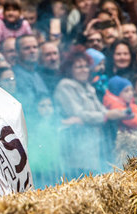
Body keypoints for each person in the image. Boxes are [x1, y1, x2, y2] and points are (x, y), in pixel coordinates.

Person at [53, 47, 126, 177]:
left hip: (93, 146)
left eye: (86, 66)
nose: (84, 70)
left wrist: (119, 112)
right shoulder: (65, 85)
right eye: (79, 67)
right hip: (76, 146)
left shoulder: (87, 87)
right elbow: (79, 113)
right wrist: (107, 115)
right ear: (69, 69)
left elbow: (101, 110)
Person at [12, 35, 49, 119]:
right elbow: (28, 107)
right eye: (27, 48)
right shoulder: (14, 76)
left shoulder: (37, 74)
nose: (32, 51)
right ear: (17, 52)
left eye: (35, 47)